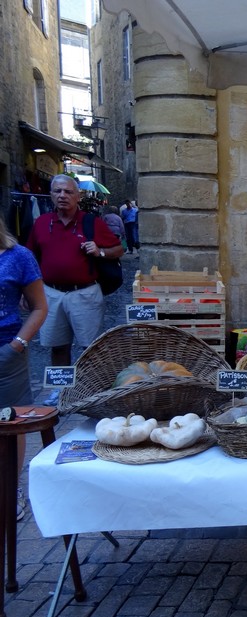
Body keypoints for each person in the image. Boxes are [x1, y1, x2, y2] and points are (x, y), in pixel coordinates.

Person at [26, 174, 124, 405]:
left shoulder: (91, 223)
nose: (62, 196)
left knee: (90, 347)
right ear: (50, 195)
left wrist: (99, 251)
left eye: (68, 192)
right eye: (57, 191)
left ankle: (90, 389)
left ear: (78, 196)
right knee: (57, 345)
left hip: (85, 292)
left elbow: (119, 249)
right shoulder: (41, 224)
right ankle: (60, 392)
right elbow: (30, 256)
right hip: (51, 293)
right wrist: (27, 291)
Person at [0, 214, 48, 520]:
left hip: (6, 353)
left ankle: (10, 488)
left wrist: (17, 344)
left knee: (9, 423)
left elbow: (39, 307)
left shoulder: (19, 257)